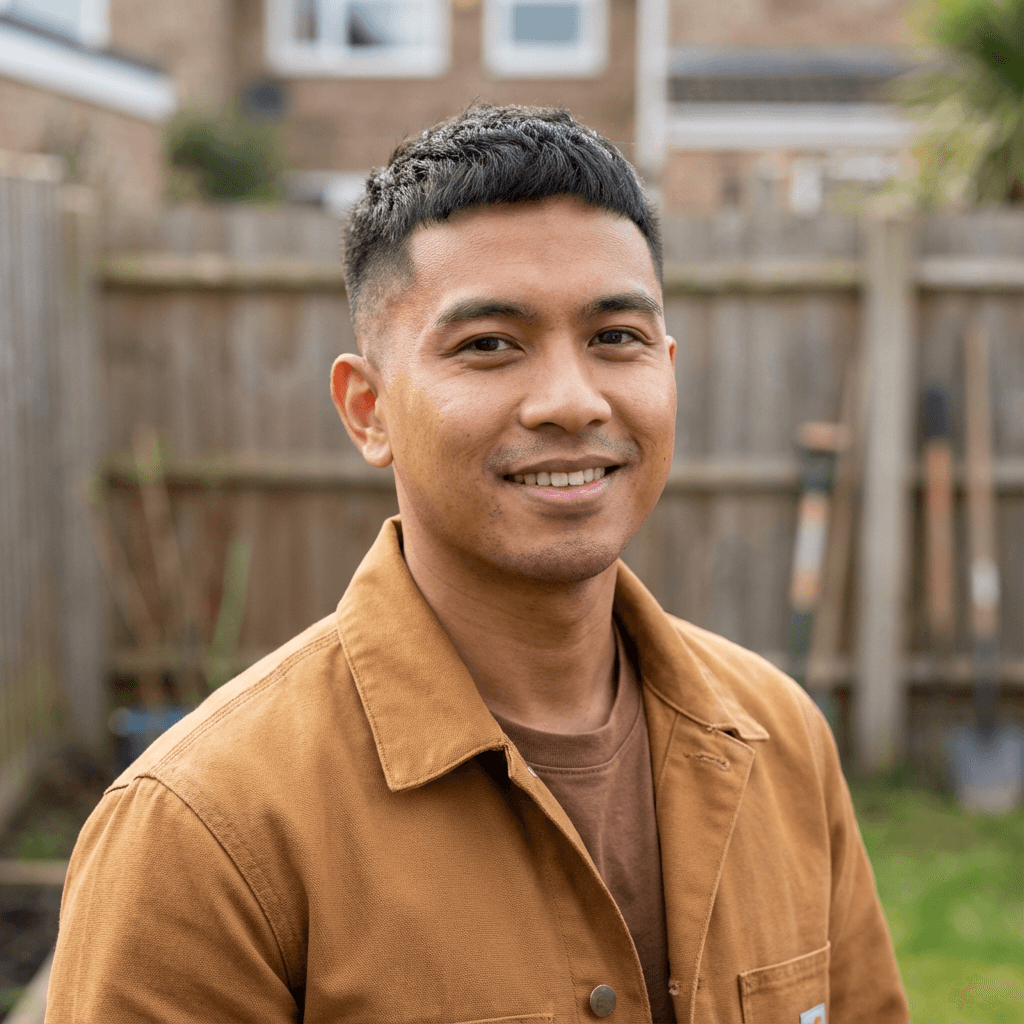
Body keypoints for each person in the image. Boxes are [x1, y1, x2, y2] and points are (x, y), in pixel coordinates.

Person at [46, 105, 908, 1024]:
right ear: (368, 409)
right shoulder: (205, 827)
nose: (572, 401)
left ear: (668, 370)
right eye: (489, 345)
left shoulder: (782, 739)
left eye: (614, 337)